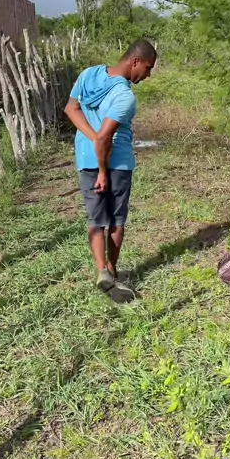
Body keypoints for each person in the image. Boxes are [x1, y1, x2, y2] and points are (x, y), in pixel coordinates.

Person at [64, 39, 157, 292]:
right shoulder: (124, 97)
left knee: (96, 219)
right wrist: (103, 171)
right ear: (135, 61)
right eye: (148, 68)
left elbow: (71, 109)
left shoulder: (89, 74)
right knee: (116, 219)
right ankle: (112, 270)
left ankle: (102, 272)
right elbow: (105, 138)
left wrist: (92, 138)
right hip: (116, 164)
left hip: (86, 158)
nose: (148, 75)